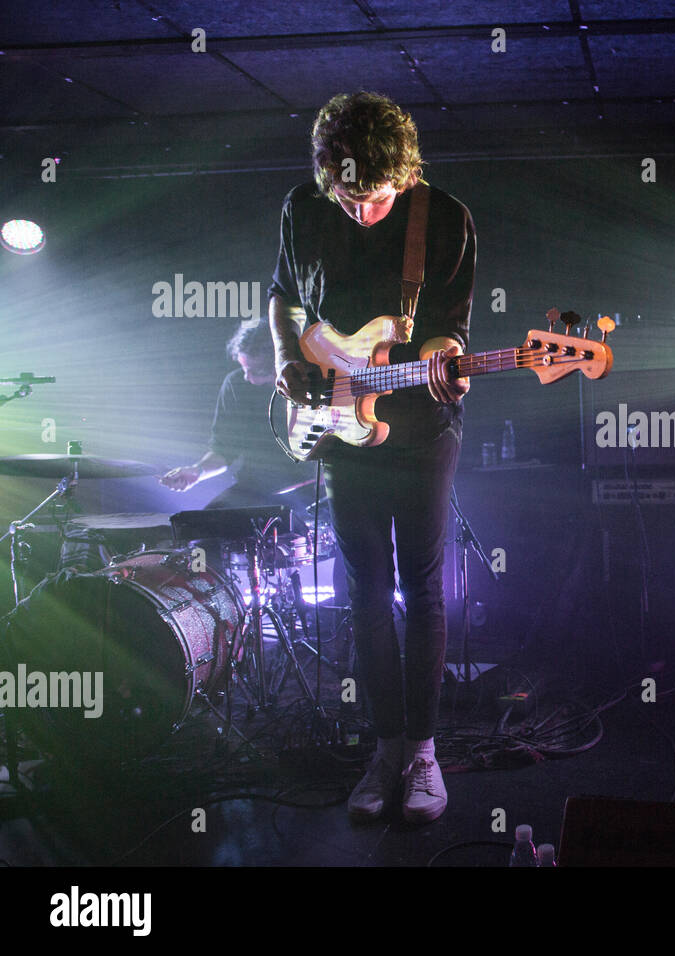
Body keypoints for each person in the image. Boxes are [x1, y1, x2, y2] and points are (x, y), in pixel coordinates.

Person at [268, 91, 474, 823]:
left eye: (376, 200)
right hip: (337, 430)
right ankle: (385, 748)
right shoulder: (303, 208)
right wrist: (285, 357)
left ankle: (423, 753)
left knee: (420, 588)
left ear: (405, 174)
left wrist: (446, 357)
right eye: (348, 199)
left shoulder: (443, 216)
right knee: (364, 592)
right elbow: (285, 297)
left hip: (421, 429)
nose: (360, 212)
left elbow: (450, 327)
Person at [160, 319, 308, 508]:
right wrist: (197, 472)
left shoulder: (308, 381)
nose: (248, 377)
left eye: (258, 371)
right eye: (245, 369)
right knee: (203, 526)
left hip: (310, 488)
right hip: (257, 489)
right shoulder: (236, 385)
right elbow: (223, 451)